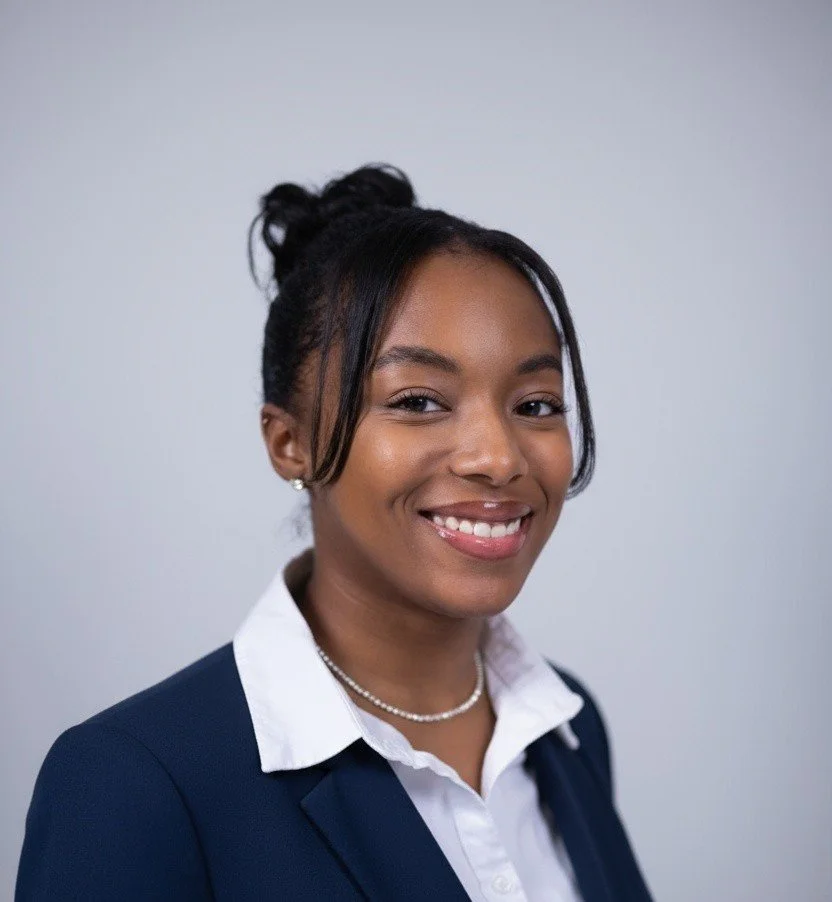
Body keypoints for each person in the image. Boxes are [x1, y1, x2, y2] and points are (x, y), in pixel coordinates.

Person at [16, 165, 653, 901]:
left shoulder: (566, 731)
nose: (499, 457)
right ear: (291, 443)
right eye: (419, 400)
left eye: (537, 405)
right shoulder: (137, 784)